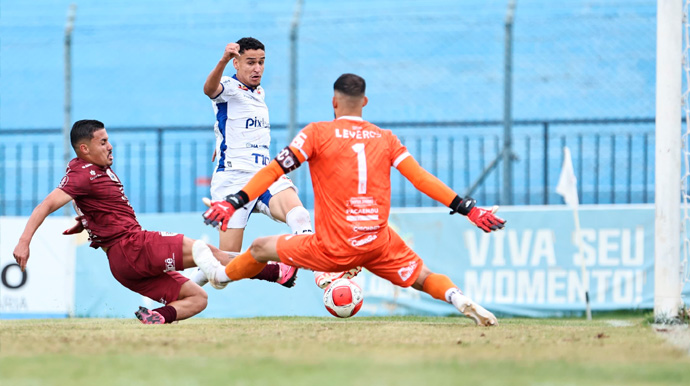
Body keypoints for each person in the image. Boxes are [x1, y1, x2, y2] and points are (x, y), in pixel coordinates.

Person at [197, 74, 506, 326]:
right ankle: (457, 297)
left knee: (260, 248)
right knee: (422, 276)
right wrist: (468, 208)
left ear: (334, 102)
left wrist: (235, 201)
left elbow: (273, 170)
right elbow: (421, 179)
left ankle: (220, 276)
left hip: (331, 246)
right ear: (365, 103)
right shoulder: (385, 138)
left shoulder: (317, 134)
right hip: (377, 241)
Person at [12, 120, 292, 325]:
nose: (110, 146)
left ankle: (157, 317)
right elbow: (46, 205)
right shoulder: (83, 175)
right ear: (84, 148)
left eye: (108, 139)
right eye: (102, 142)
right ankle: (276, 272)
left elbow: (86, 203)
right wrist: (24, 242)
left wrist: (87, 222)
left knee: (197, 299)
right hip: (133, 247)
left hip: (122, 266)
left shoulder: (91, 172)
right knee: (206, 252)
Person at [201, 37, 357, 289]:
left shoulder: (259, 92)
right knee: (224, 268)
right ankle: (179, 295)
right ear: (236, 63)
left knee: (299, 215)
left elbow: (234, 126)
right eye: (250, 62)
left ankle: (324, 272)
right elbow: (209, 89)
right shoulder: (227, 86)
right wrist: (222, 60)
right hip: (232, 179)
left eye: (261, 62)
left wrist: (221, 141)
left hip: (264, 175)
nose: (257, 68)